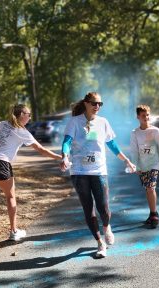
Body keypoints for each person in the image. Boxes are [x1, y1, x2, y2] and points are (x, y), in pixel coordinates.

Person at [60, 92, 136, 258]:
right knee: (89, 208)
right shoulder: (74, 121)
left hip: (99, 170)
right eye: (94, 103)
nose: (97, 106)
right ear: (86, 103)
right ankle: (100, 243)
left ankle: (107, 227)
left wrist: (126, 161)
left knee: (103, 207)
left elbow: (112, 144)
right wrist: (65, 156)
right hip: (79, 172)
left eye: (100, 104)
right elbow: (66, 141)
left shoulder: (103, 122)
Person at [0, 104, 63, 240]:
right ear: (22, 114)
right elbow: (41, 150)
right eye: (29, 114)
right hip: (1, 162)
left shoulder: (2, 124)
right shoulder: (22, 131)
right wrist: (59, 157)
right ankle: (13, 232)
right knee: (10, 197)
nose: (30, 117)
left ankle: (10, 229)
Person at [130, 104, 159, 228]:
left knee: (151, 187)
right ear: (138, 117)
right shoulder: (135, 133)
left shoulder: (155, 131)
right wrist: (136, 166)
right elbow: (134, 151)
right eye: (143, 115)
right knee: (148, 188)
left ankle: (154, 215)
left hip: (154, 163)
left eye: (147, 115)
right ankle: (153, 212)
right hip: (143, 165)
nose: (146, 117)